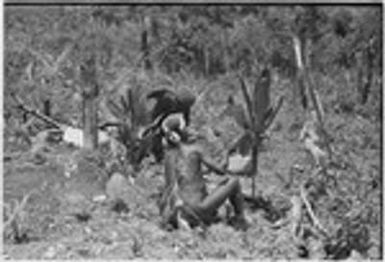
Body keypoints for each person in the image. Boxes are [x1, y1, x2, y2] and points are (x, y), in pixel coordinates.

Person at [158, 115, 250, 231]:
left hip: (179, 212)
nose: (190, 130)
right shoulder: (194, 150)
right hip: (197, 210)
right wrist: (227, 151)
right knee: (234, 182)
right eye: (186, 128)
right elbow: (221, 170)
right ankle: (239, 219)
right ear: (179, 134)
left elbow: (170, 187)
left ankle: (186, 219)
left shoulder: (168, 157)